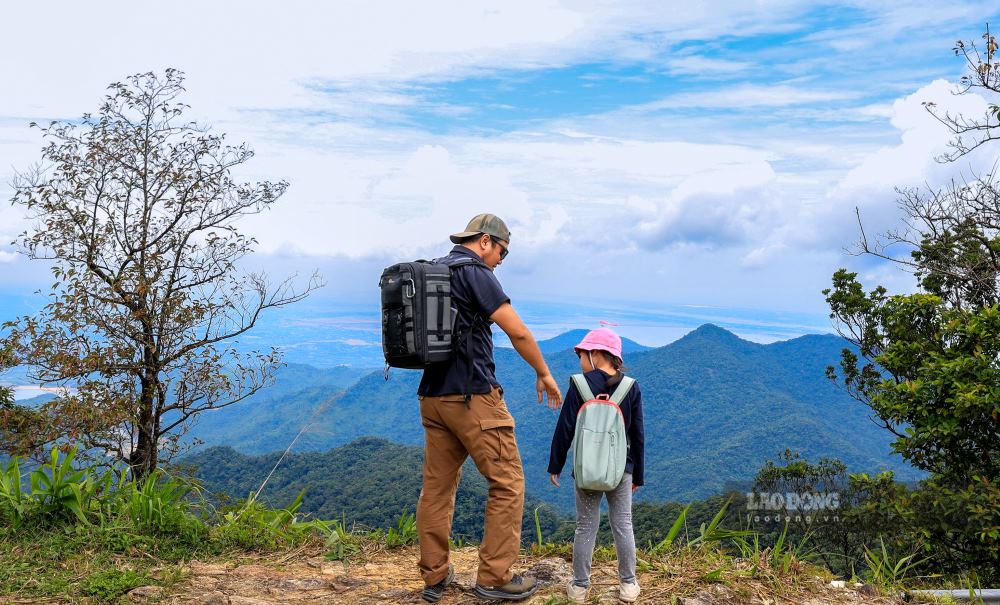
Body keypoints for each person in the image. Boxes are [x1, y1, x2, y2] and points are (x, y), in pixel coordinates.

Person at [417, 213, 563, 603]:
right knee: (508, 483)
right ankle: (495, 578)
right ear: (485, 241)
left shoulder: (434, 269)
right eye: (502, 251)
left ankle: (434, 576)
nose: (501, 259)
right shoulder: (474, 272)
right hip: (472, 397)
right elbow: (516, 330)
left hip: (432, 397)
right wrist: (544, 373)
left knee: (436, 488)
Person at [548, 328, 645, 603]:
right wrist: (638, 473)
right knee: (623, 524)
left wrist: (556, 463)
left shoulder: (579, 385)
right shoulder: (631, 387)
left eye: (581, 354)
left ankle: (579, 587)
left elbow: (565, 427)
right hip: (621, 469)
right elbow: (637, 434)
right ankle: (628, 584)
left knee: (586, 526)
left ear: (595, 354)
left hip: (585, 470)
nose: (579, 359)